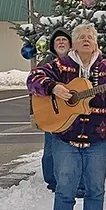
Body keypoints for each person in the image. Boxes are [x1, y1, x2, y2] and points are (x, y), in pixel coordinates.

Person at [26, 23, 106, 210]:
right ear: (73, 43)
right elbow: (33, 79)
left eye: (90, 37)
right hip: (66, 135)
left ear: (96, 43)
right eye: (82, 37)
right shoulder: (60, 65)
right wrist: (53, 87)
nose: (86, 40)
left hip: (98, 136)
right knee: (65, 185)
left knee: (96, 186)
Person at [37, 28, 73, 192]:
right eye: (58, 40)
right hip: (51, 111)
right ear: (53, 45)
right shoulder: (46, 64)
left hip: (72, 113)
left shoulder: (76, 63)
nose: (61, 43)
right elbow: (34, 88)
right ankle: (52, 182)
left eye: (64, 40)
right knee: (51, 149)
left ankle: (72, 180)